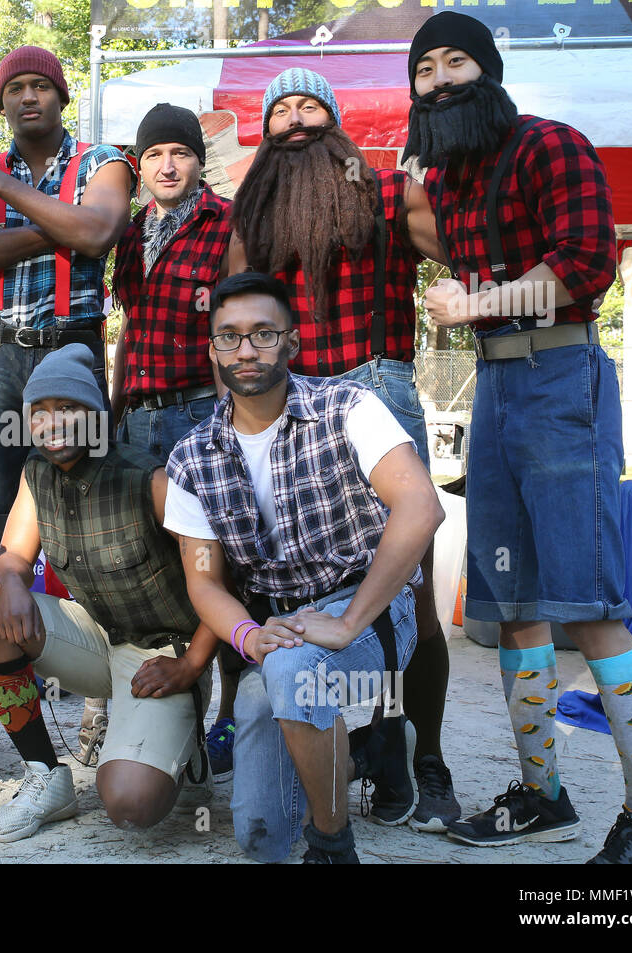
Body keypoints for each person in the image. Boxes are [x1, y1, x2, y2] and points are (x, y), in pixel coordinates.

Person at [410, 11, 632, 862]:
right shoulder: (451, 182)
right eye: (426, 69)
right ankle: (543, 793)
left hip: (562, 377)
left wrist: (476, 302)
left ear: (489, 72)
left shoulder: (549, 144)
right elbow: (436, 239)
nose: (442, 78)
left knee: (590, 605)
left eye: (458, 61)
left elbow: (585, 262)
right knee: (512, 606)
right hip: (495, 387)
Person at [228, 68, 457, 830]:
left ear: (334, 118)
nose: (294, 119)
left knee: (411, 595)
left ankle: (420, 755)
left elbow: (459, 248)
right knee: (299, 590)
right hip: (289, 407)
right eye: (279, 108)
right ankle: (359, 746)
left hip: (379, 388)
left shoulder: (388, 191)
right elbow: (231, 321)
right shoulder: (251, 215)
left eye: (308, 105)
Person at [166, 272, 444, 863]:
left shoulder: (348, 406)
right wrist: (249, 636)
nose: (245, 350)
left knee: (296, 673)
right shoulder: (191, 457)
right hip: (278, 624)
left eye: (263, 334)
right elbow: (203, 580)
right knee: (262, 840)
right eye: (229, 337)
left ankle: (332, 841)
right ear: (211, 348)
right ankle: (363, 749)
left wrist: (347, 623)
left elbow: (421, 509)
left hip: (367, 606)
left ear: (291, 343)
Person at [0, 45, 132, 760]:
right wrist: (55, 223)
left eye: (43, 85)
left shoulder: (103, 158)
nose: (29, 98)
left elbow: (99, 231)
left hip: (72, 350)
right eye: (17, 89)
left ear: (62, 96)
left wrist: (9, 197)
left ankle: (98, 695)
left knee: (84, 524)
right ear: (2, 102)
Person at [0, 344, 215, 841]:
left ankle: (186, 746)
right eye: (40, 412)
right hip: (98, 639)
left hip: (167, 655)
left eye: (68, 409)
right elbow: (11, 557)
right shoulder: (37, 473)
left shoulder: (150, 479)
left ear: (95, 415)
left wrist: (191, 666)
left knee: (129, 804)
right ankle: (45, 776)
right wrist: (11, 581)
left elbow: (220, 582)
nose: (53, 424)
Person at [111, 102, 234, 776]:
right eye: (154, 153)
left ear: (197, 161)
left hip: (198, 417)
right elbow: (130, 328)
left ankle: (228, 718)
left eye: (179, 152)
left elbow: (234, 329)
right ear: (139, 164)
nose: (166, 164)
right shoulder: (132, 237)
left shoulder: (226, 226)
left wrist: (230, 425)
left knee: (214, 565)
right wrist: (111, 410)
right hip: (138, 420)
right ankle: (164, 724)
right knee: (152, 566)